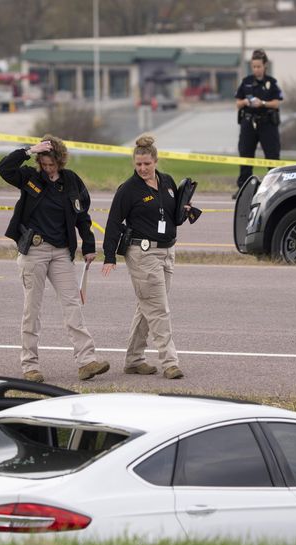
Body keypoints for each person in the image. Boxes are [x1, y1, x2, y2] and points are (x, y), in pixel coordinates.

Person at [0, 135, 110, 383]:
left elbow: (82, 215)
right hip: (34, 251)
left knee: (72, 305)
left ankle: (86, 361)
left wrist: (88, 245)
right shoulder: (29, 178)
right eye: (44, 164)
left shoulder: (72, 182)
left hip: (61, 253)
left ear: (60, 161)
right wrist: (28, 151)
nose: (48, 169)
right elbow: (3, 168)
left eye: (52, 165)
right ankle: (30, 366)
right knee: (32, 310)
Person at [102, 134, 192, 380]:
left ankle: (133, 360)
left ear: (155, 161)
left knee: (147, 307)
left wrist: (185, 211)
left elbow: (173, 216)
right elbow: (113, 222)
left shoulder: (167, 182)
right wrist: (109, 255)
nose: (142, 168)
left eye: (147, 164)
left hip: (167, 250)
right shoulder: (128, 190)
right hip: (142, 253)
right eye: (138, 164)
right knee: (159, 308)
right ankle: (170, 361)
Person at [234, 49, 283, 195]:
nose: (256, 69)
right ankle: (243, 188)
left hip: (267, 123)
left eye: (259, 66)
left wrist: (262, 103)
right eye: (254, 66)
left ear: (265, 66)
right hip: (249, 123)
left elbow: (276, 103)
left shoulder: (271, 83)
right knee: (245, 155)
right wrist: (246, 101)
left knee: (272, 156)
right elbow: (238, 103)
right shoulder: (246, 82)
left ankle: (276, 188)